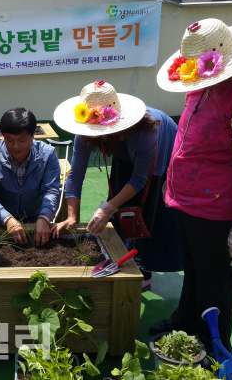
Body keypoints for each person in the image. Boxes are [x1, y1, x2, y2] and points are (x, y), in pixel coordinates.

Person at [151, 18, 232, 353]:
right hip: (185, 195)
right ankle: (186, 318)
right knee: (193, 267)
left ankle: (216, 346)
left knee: (215, 278)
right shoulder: (199, 79)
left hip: (215, 202)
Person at [51, 81, 182, 289]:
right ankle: (122, 254)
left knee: (147, 204)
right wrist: (72, 216)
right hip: (123, 147)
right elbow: (75, 175)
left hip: (161, 150)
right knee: (120, 195)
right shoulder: (85, 131)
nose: (91, 133)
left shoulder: (146, 134)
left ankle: (143, 269)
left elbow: (140, 179)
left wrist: (108, 207)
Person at [0, 107, 61, 247]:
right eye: (9, 140)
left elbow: (51, 190)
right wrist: (7, 219)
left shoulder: (48, 154)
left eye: (22, 140)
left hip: (35, 220)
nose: (15, 146)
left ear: (33, 135)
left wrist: (44, 218)